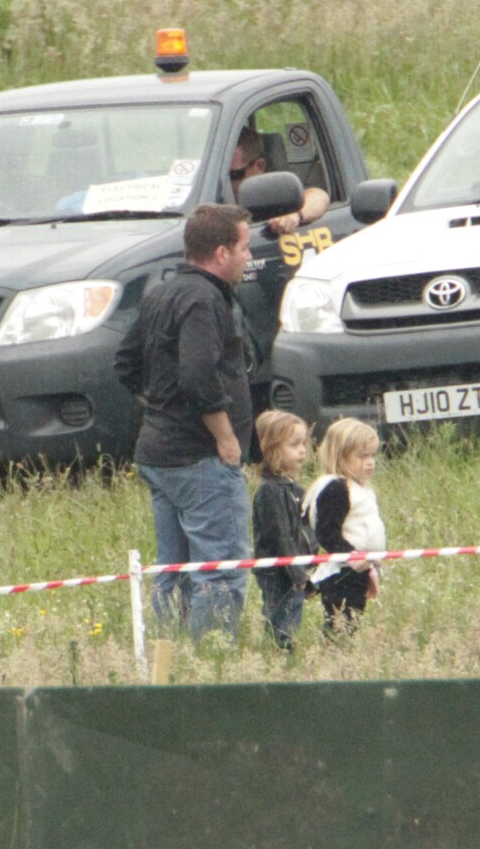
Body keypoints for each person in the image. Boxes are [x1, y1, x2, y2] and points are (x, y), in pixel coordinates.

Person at [114, 203, 254, 641]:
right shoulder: (202, 298)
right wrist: (225, 436)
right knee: (221, 569)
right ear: (220, 253)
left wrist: (161, 407)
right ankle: (210, 663)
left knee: (173, 571)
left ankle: (166, 656)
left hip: (160, 453)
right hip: (199, 459)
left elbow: (125, 362)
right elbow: (197, 374)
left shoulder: (162, 292)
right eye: (245, 248)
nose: (250, 258)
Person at [303, 418, 386, 635]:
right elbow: (327, 532)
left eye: (372, 455)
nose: (370, 462)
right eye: (362, 456)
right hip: (341, 571)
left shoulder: (361, 488)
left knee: (353, 623)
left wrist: (370, 564)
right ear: (340, 455)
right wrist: (350, 555)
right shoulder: (337, 488)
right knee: (340, 625)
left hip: (359, 569)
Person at [252, 410, 318, 652]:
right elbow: (279, 535)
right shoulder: (269, 491)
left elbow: (304, 531)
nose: (302, 450)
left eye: (304, 443)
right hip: (276, 571)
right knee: (281, 618)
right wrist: (298, 574)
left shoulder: (293, 488)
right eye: (294, 445)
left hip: (294, 569)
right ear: (272, 449)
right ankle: (279, 654)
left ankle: (286, 652)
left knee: (293, 613)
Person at [230, 126, 330, 236]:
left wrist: (295, 215)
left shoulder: (276, 196)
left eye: (233, 175)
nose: (225, 184)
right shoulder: (210, 195)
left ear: (259, 166)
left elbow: (319, 196)